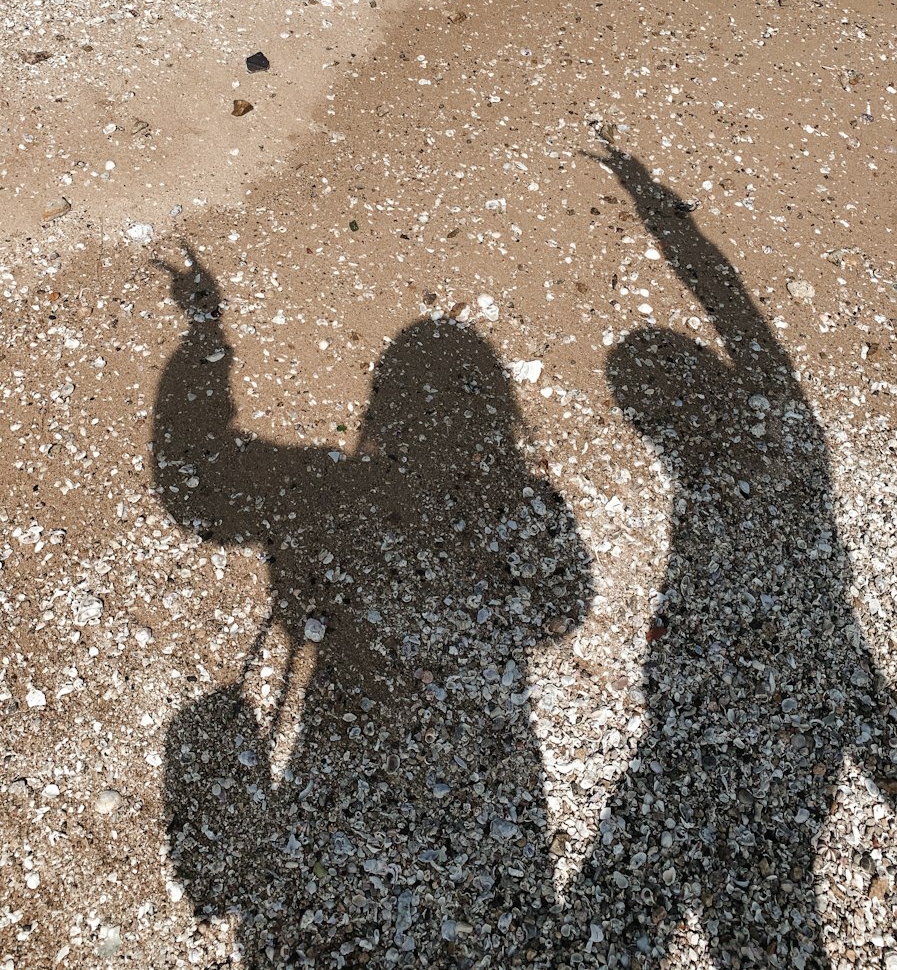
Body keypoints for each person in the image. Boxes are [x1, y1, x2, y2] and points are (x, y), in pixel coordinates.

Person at [154, 249, 593, 966]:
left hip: (332, 788)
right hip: (482, 814)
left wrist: (206, 339)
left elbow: (193, 493)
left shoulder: (328, 490)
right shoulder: (526, 505)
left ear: (379, 403)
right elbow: (565, 605)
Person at [562, 147, 897, 969]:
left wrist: (659, 209)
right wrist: (660, 210)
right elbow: (740, 319)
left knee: (642, 913)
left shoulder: (774, 456)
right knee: (768, 917)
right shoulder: (794, 440)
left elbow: (737, 320)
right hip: (769, 747)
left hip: (696, 733)